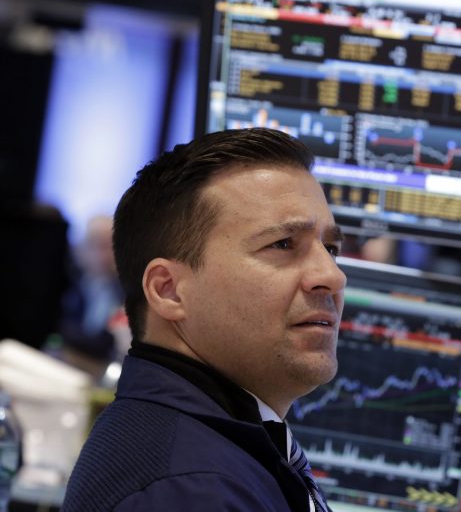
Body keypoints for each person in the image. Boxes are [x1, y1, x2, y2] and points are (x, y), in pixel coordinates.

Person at [62, 128, 347, 511]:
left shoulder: (212, 448)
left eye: (330, 248)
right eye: (282, 244)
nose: (332, 276)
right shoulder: (191, 491)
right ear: (168, 290)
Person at [59, 215, 126, 361]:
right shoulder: (67, 284)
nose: (103, 256)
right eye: (95, 246)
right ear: (80, 249)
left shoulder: (128, 293)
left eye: (109, 246)